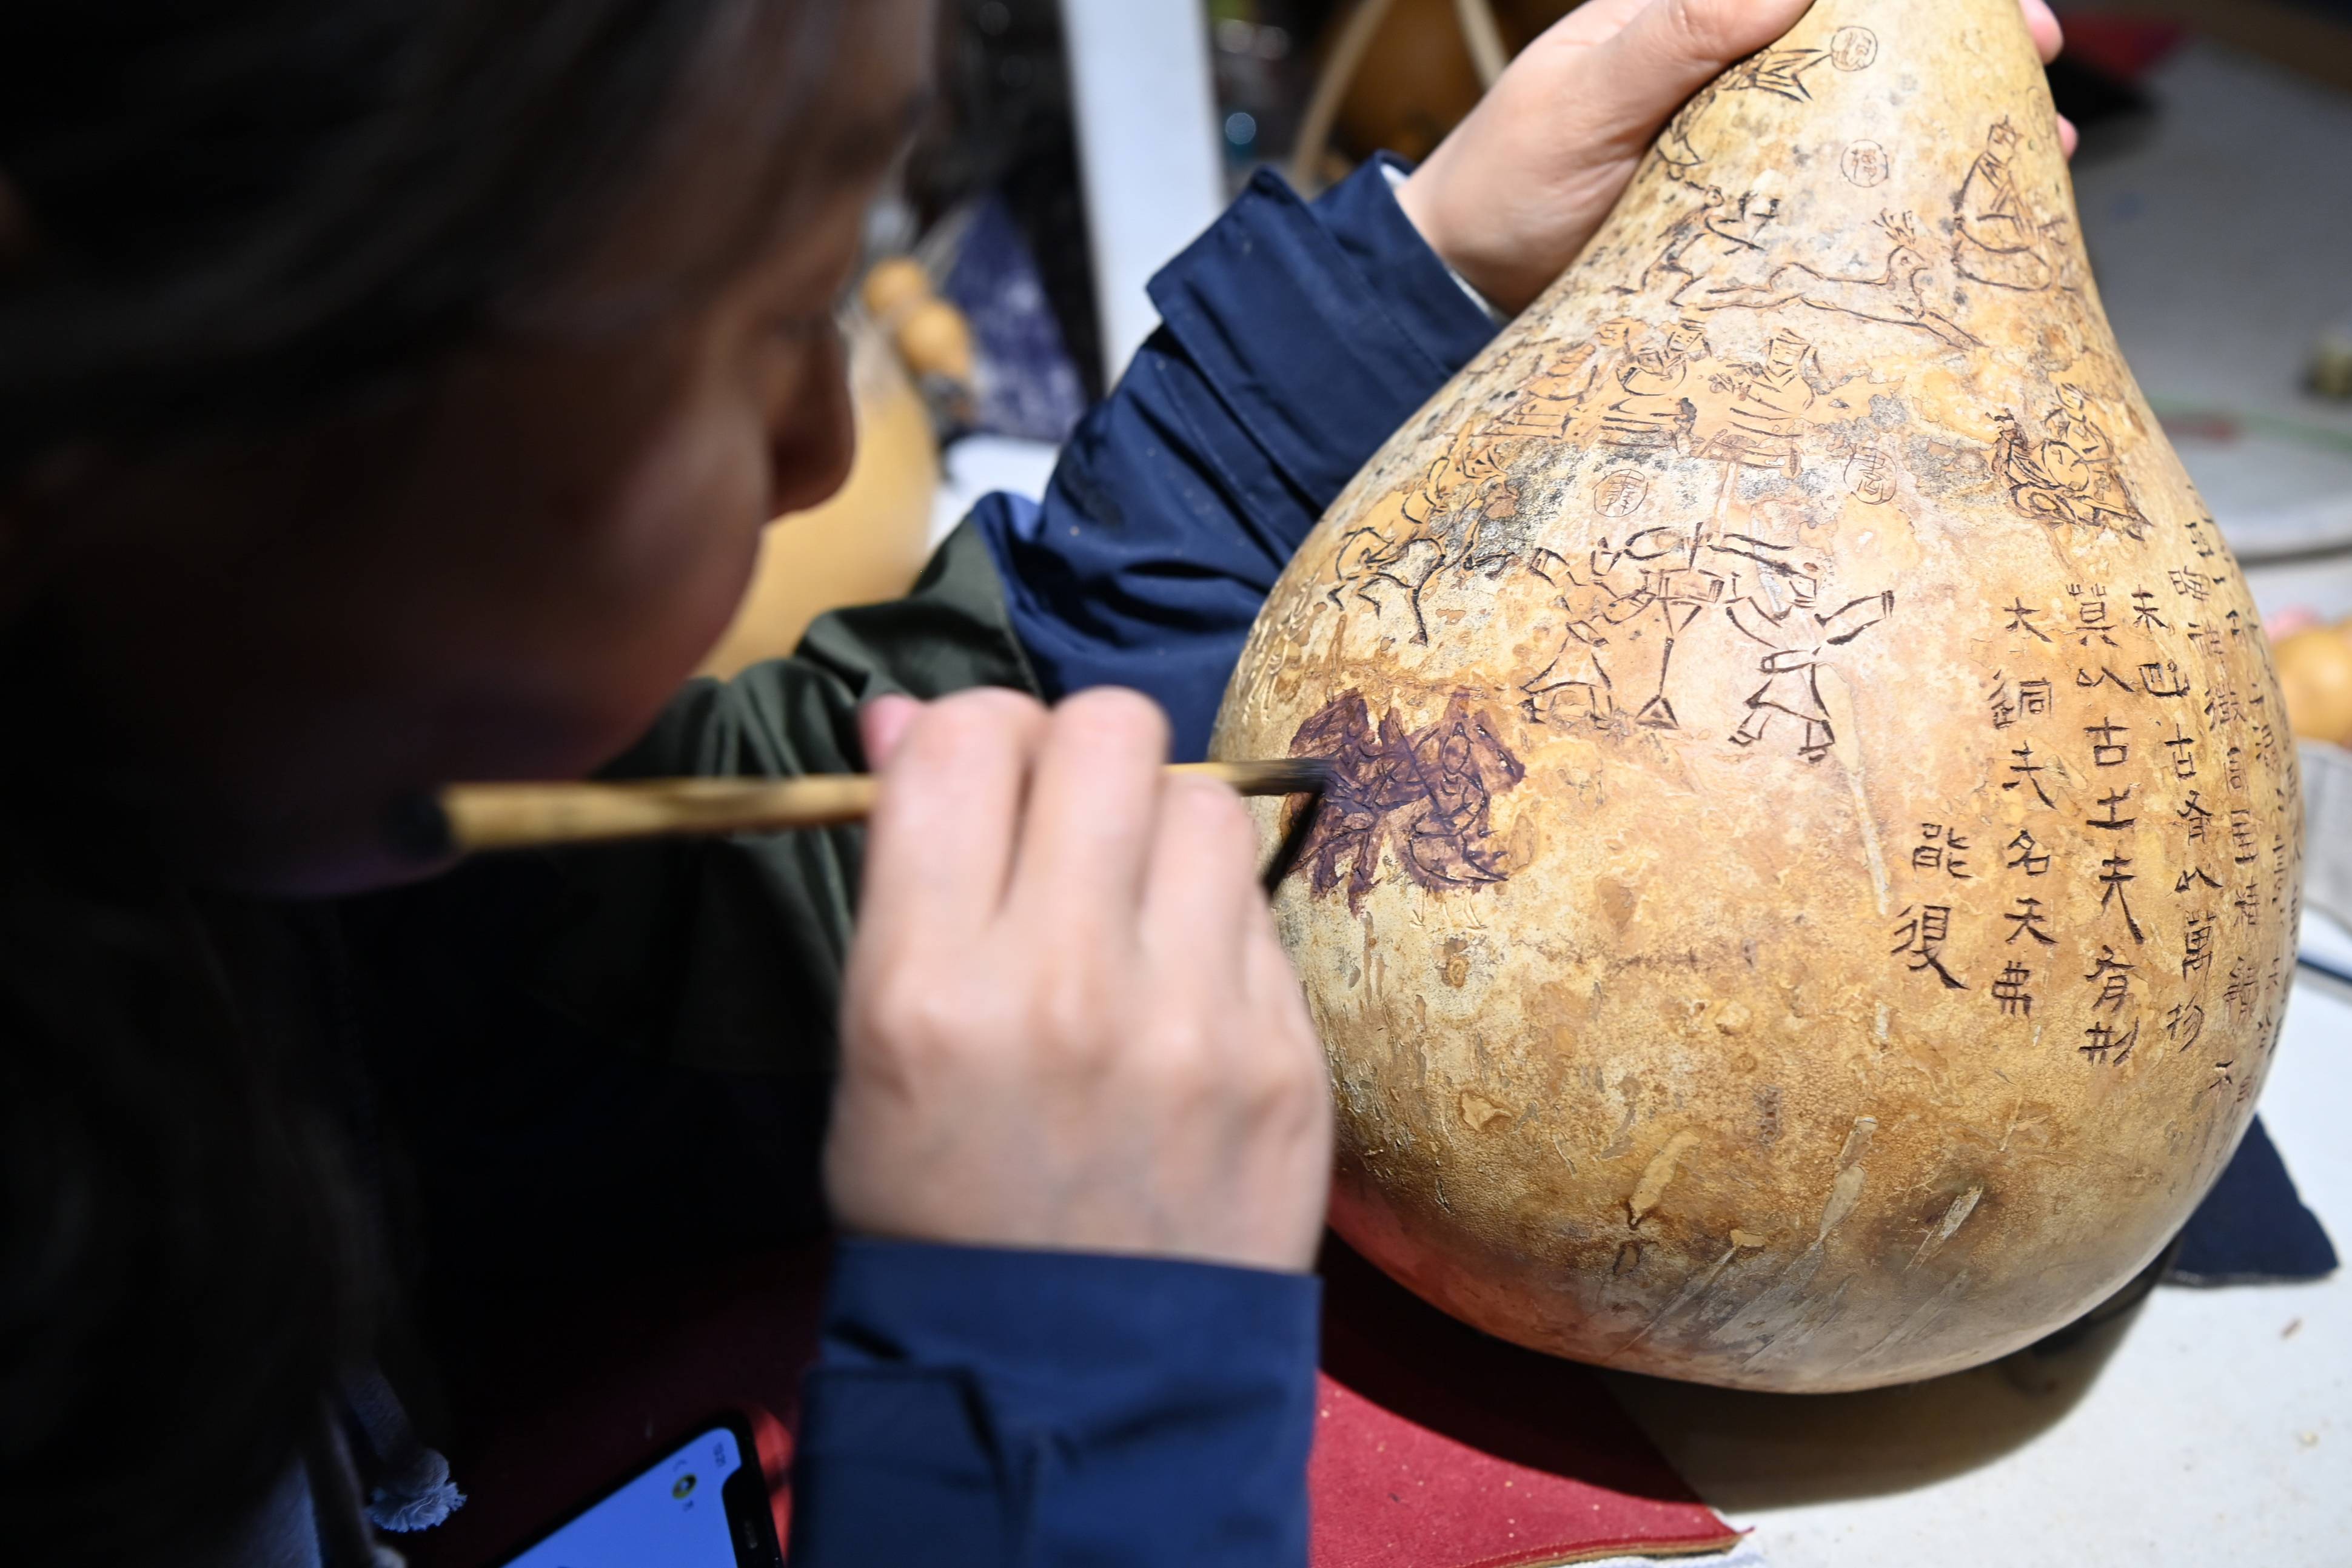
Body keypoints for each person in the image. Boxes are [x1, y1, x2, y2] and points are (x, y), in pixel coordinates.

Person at [0, 2, 2069, 1563]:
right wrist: (1058, 1418)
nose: (825, 446)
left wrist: (1414, 284)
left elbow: (763, 870)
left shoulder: (264, 823)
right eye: (762, 309)